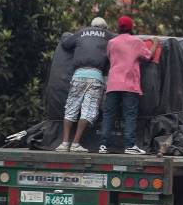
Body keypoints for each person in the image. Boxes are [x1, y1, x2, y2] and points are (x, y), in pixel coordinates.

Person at [99, 16, 159, 154]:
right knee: (129, 115)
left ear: (118, 28)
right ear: (131, 27)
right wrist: (154, 43)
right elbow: (148, 56)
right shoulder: (136, 42)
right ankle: (129, 146)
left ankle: (103, 145)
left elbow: (109, 57)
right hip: (129, 85)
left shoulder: (111, 43)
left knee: (108, 114)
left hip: (113, 84)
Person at [55, 17, 115, 152]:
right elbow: (120, 43)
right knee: (88, 111)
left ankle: (64, 143)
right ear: (104, 28)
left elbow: (65, 43)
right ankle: (76, 143)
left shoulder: (81, 32)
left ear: (91, 25)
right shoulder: (108, 35)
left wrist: (65, 35)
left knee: (71, 108)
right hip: (96, 76)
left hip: (78, 75)